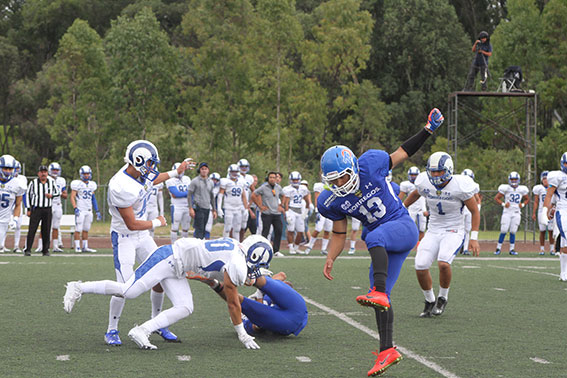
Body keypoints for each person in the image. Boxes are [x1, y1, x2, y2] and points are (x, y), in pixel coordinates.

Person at [318, 108, 444, 377]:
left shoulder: (371, 163)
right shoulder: (332, 201)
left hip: (401, 227)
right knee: (380, 297)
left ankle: (379, 292)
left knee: (372, 236)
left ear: (353, 168)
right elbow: (339, 234)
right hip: (383, 243)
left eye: (342, 176)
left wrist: (428, 130)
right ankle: (387, 350)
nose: (339, 183)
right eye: (333, 180)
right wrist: (331, 256)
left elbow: (402, 152)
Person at [63, 235, 273, 350]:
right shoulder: (237, 262)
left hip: (178, 268)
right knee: (129, 291)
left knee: (185, 306)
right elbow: (233, 302)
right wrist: (242, 335)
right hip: (168, 258)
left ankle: (142, 330)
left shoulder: (237, 249)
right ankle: (78, 287)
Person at [103, 140, 194, 346]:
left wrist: (176, 172)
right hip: (126, 236)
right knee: (124, 286)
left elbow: (153, 179)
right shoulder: (120, 186)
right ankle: (112, 329)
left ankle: (158, 323)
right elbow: (132, 224)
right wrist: (157, 222)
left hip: (143, 237)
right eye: (150, 163)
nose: (152, 168)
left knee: (161, 276)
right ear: (138, 162)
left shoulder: (139, 171)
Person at [403, 152, 480, 318]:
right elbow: (416, 193)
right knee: (420, 265)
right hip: (433, 229)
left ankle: (442, 297)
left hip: (454, 229)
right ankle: (429, 300)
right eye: (433, 171)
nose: (435, 175)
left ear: (449, 170)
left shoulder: (460, 185)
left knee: (444, 263)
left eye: (439, 171)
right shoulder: (424, 181)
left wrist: (473, 237)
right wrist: (402, 207)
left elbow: (474, 211)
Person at [188, 270, 308, 337]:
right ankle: (252, 274)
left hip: (286, 319)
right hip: (292, 317)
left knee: (239, 298)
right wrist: (260, 294)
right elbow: (282, 276)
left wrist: (259, 295)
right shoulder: (249, 321)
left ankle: (216, 282)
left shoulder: (245, 321)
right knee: (271, 283)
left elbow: (282, 276)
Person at [24, 164, 61, 256]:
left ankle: (45, 250)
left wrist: (51, 195)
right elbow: (28, 195)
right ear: (38, 173)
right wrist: (28, 208)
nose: (43, 174)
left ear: (47, 173)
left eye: (45, 172)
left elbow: (57, 192)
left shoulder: (51, 182)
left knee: (46, 230)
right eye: (41, 172)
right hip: (36, 209)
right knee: (32, 229)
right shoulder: (33, 182)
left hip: (47, 209)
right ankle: (28, 249)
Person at [543, 153, 567, 280]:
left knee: (565, 242)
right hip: (563, 209)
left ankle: (564, 273)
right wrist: (546, 210)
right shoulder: (558, 176)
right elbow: (549, 195)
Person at [494, 171, 529, 255]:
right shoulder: (506, 188)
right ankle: (498, 248)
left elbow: (527, 199)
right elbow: (496, 198)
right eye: (512, 179)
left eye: (515, 179)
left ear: (518, 180)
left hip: (516, 212)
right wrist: (503, 204)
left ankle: (512, 249)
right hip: (507, 212)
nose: (513, 181)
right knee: (504, 230)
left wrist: (523, 204)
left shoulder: (522, 189)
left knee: (513, 231)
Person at [252, 172, 285, 257]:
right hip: (267, 213)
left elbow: (284, 195)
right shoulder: (263, 187)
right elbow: (254, 195)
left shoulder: (278, 187)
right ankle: (263, 249)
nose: (272, 179)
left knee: (279, 230)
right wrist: (260, 206)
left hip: (276, 213)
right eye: (271, 177)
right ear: (268, 178)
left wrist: (281, 205)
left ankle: (276, 250)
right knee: (265, 231)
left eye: (274, 177)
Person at [70, 165, 101, 253]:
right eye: (85, 174)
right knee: (78, 228)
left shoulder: (92, 185)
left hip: (89, 210)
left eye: (88, 174)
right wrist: (75, 207)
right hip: (80, 209)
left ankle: (85, 246)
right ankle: (77, 246)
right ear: (81, 174)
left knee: (86, 229)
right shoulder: (77, 184)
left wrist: (97, 210)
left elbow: (93, 198)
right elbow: (72, 197)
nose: (86, 175)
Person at [0, 155, 26, 253]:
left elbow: (18, 204)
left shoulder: (18, 184)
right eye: (5, 168)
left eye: (10, 169)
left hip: (3, 220)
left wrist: (15, 219)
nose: (7, 171)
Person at [282, 171, 311, 255]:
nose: (295, 181)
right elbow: (286, 203)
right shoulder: (287, 189)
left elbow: (307, 200)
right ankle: (291, 247)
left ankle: (296, 247)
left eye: (296, 179)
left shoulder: (303, 188)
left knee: (301, 231)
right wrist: (287, 213)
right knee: (290, 230)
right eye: (293, 180)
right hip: (291, 210)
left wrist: (306, 211)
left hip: (300, 210)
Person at [217, 164, 248, 240]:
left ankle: (236, 245)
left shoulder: (241, 181)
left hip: (238, 207)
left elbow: (243, 196)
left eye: (236, 172)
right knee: (227, 227)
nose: (234, 173)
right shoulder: (225, 181)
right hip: (228, 208)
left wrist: (246, 208)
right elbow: (220, 195)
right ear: (229, 172)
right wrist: (219, 208)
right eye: (232, 171)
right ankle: (225, 243)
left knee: (237, 228)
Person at [399, 166, 428, 244]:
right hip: (411, 208)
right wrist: (399, 207)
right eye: (412, 175)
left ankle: (420, 245)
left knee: (422, 228)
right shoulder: (406, 184)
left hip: (422, 209)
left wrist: (425, 209)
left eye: (415, 175)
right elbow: (400, 198)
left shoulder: (422, 183)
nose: (414, 177)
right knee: (409, 228)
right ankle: (406, 244)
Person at [188, 162, 217, 239]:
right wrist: (190, 208)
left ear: (208, 170)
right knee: (199, 229)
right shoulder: (195, 181)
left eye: (205, 169)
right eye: (202, 169)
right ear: (199, 170)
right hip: (198, 207)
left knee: (204, 228)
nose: (204, 171)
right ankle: (197, 246)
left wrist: (214, 209)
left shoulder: (210, 182)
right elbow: (189, 194)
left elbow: (212, 196)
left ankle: (201, 245)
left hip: (207, 207)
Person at [303, 179, 332, 255]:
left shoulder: (334, 186)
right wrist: (317, 210)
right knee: (318, 229)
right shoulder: (319, 186)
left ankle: (323, 249)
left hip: (331, 210)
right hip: (322, 210)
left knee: (327, 230)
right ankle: (309, 247)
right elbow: (317, 198)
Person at [166, 162, 192, 242]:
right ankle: (173, 245)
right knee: (175, 227)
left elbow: (191, 193)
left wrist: (186, 194)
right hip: (177, 206)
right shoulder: (170, 180)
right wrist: (188, 193)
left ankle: (184, 245)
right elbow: (176, 194)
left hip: (187, 206)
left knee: (186, 228)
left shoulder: (187, 178)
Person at [532, 171, 556, 255]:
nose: (546, 180)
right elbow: (536, 202)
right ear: (541, 179)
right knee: (542, 230)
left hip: (551, 211)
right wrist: (534, 213)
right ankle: (542, 249)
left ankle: (552, 249)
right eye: (544, 179)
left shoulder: (553, 187)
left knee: (551, 230)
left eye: (547, 178)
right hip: (542, 211)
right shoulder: (539, 188)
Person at [460, 169, 482, 256]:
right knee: (458, 228)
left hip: (469, 209)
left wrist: (478, 209)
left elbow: (477, 199)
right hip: (460, 209)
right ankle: (459, 246)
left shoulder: (474, 186)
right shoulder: (457, 185)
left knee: (467, 229)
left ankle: (465, 248)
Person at [11, 160, 27, 252]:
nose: (16, 171)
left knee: (18, 226)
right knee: (4, 224)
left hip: (18, 204)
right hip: (7, 205)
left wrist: (26, 206)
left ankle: (16, 246)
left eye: (17, 169)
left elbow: (23, 194)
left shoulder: (22, 179)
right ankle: (1, 245)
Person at [238, 159, 255, 240]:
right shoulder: (235, 176)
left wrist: (250, 203)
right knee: (233, 225)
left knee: (243, 226)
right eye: (242, 166)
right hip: (236, 204)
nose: (244, 168)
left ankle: (240, 242)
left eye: (245, 167)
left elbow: (254, 192)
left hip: (245, 205)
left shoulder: (249, 178)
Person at [205, 172, 221, 239]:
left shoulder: (218, 188)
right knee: (200, 227)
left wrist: (216, 210)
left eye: (216, 180)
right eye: (213, 179)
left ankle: (206, 242)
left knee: (208, 228)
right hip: (202, 208)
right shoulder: (204, 185)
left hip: (211, 209)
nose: (214, 181)